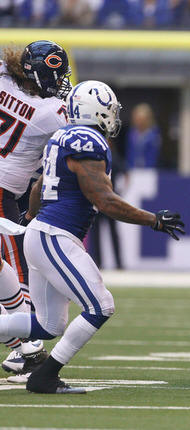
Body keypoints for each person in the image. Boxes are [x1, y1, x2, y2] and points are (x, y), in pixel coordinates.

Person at [0, 80, 185, 394]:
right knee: (101, 306)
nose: (114, 116)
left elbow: (39, 186)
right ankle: (44, 377)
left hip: (44, 233)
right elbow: (105, 201)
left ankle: (42, 375)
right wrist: (153, 220)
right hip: (56, 236)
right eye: (111, 110)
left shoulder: (63, 136)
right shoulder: (87, 142)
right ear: (97, 111)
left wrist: (30, 217)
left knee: (49, 325)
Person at [0, 40, 71, 376]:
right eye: (57, 75)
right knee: (16, 269)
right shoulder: (51, 113)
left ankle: (23, 347)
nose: (61, 82)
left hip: (7, 193)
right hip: (3, 192)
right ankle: (27, 347)